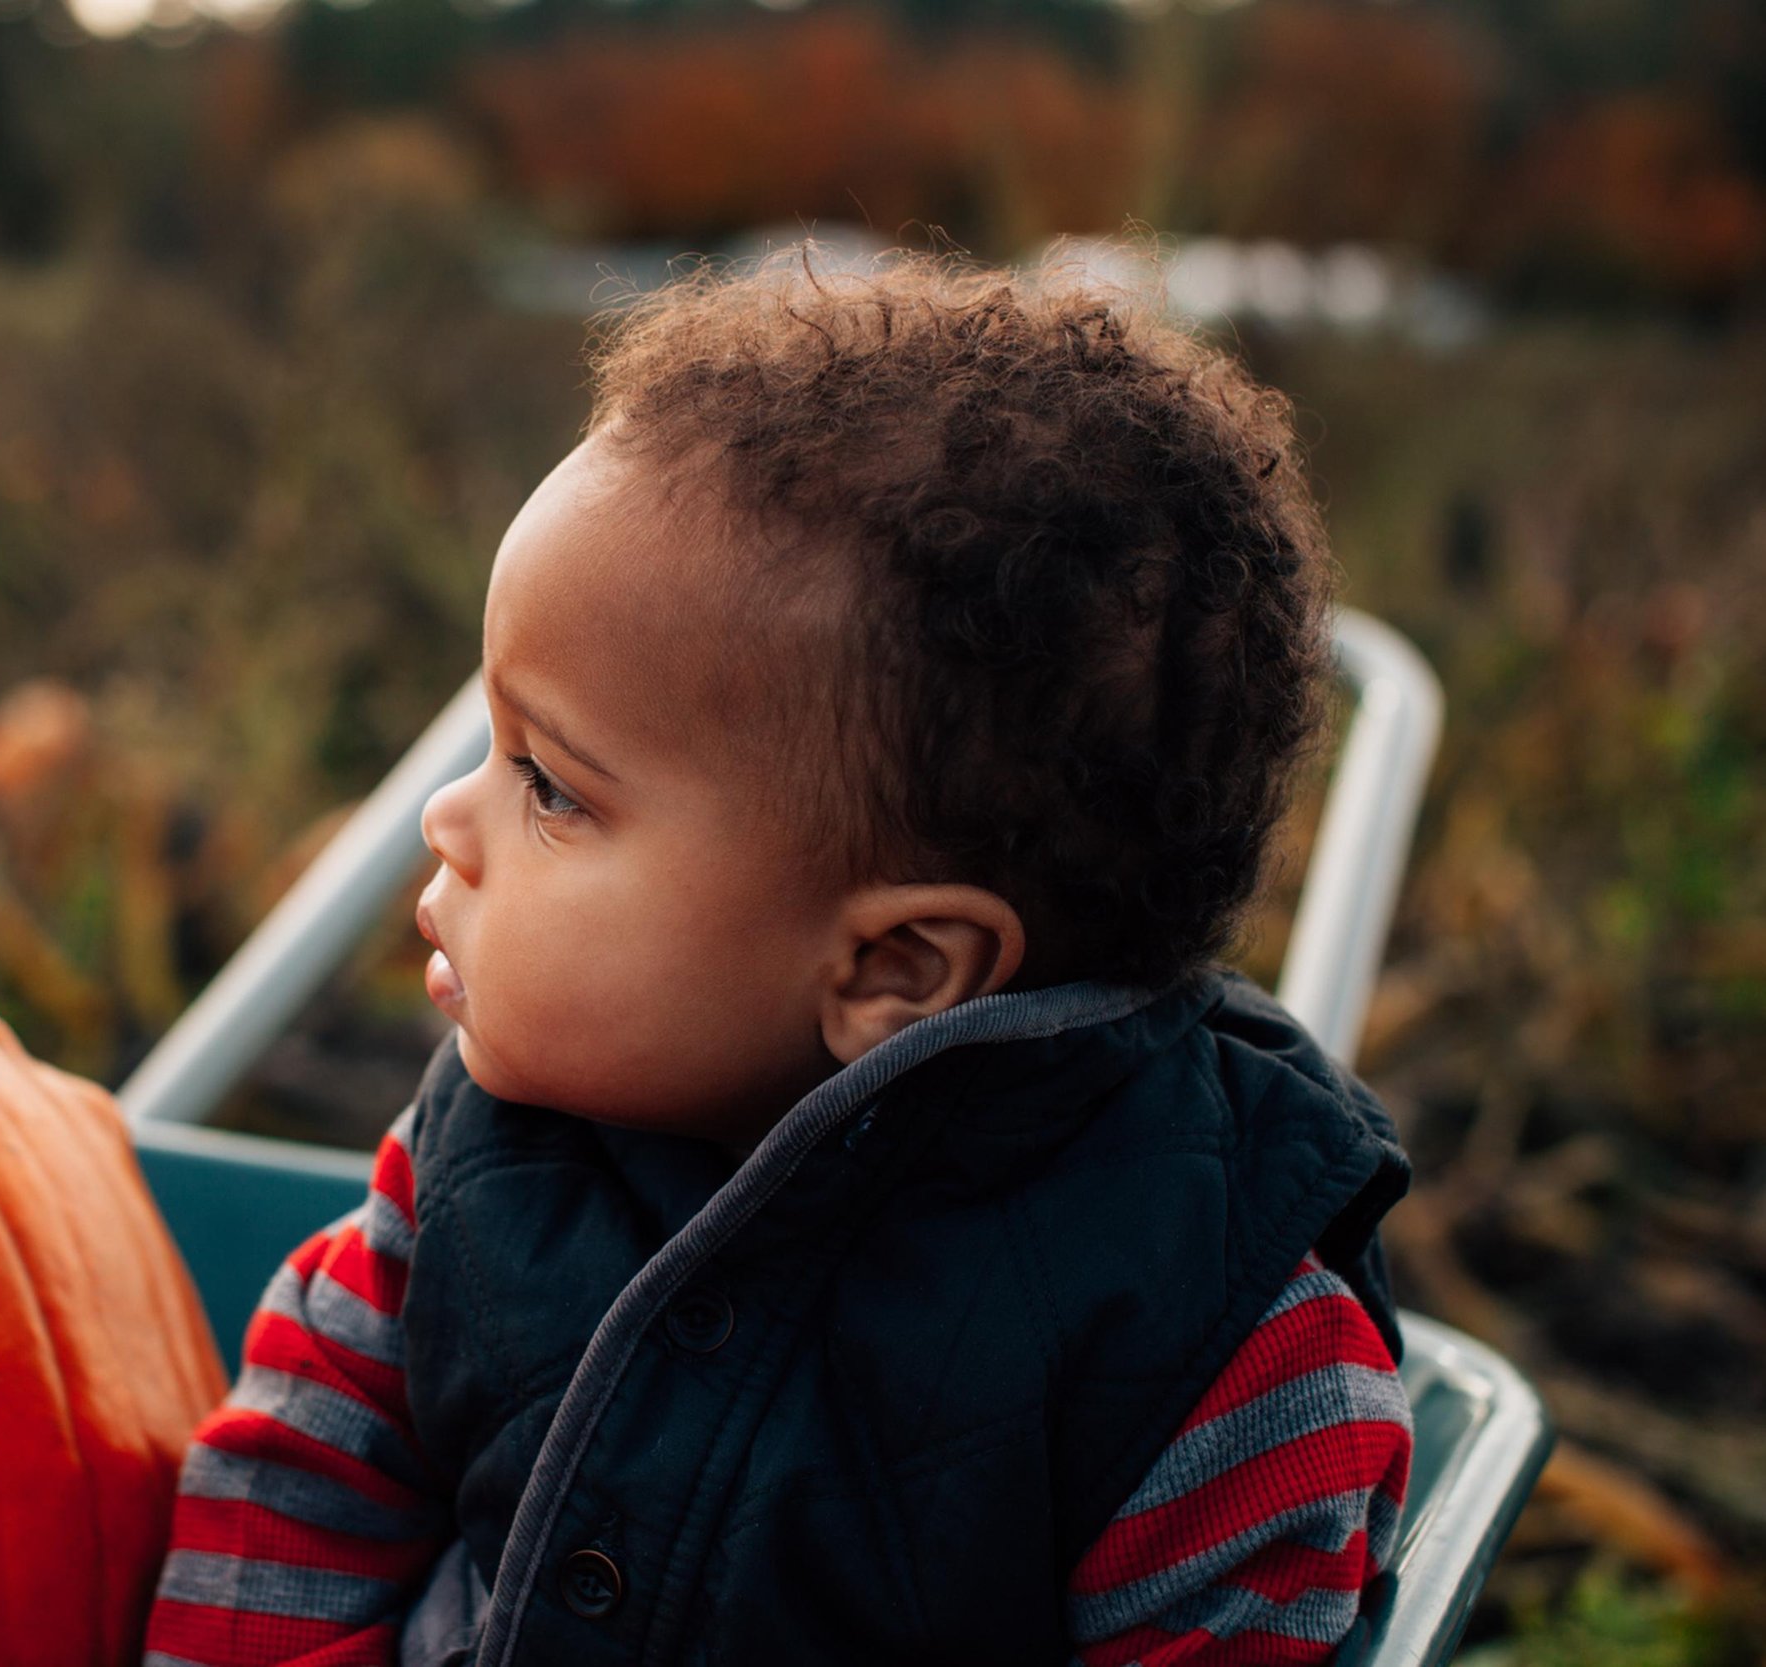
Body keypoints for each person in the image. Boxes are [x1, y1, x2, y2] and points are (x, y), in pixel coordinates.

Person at [141, 249, 1414, 1667]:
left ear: (897, 969)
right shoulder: (481, 1166)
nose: (450, 816)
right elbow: (295, 1506)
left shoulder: (1215, 1347)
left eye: (550, 784)